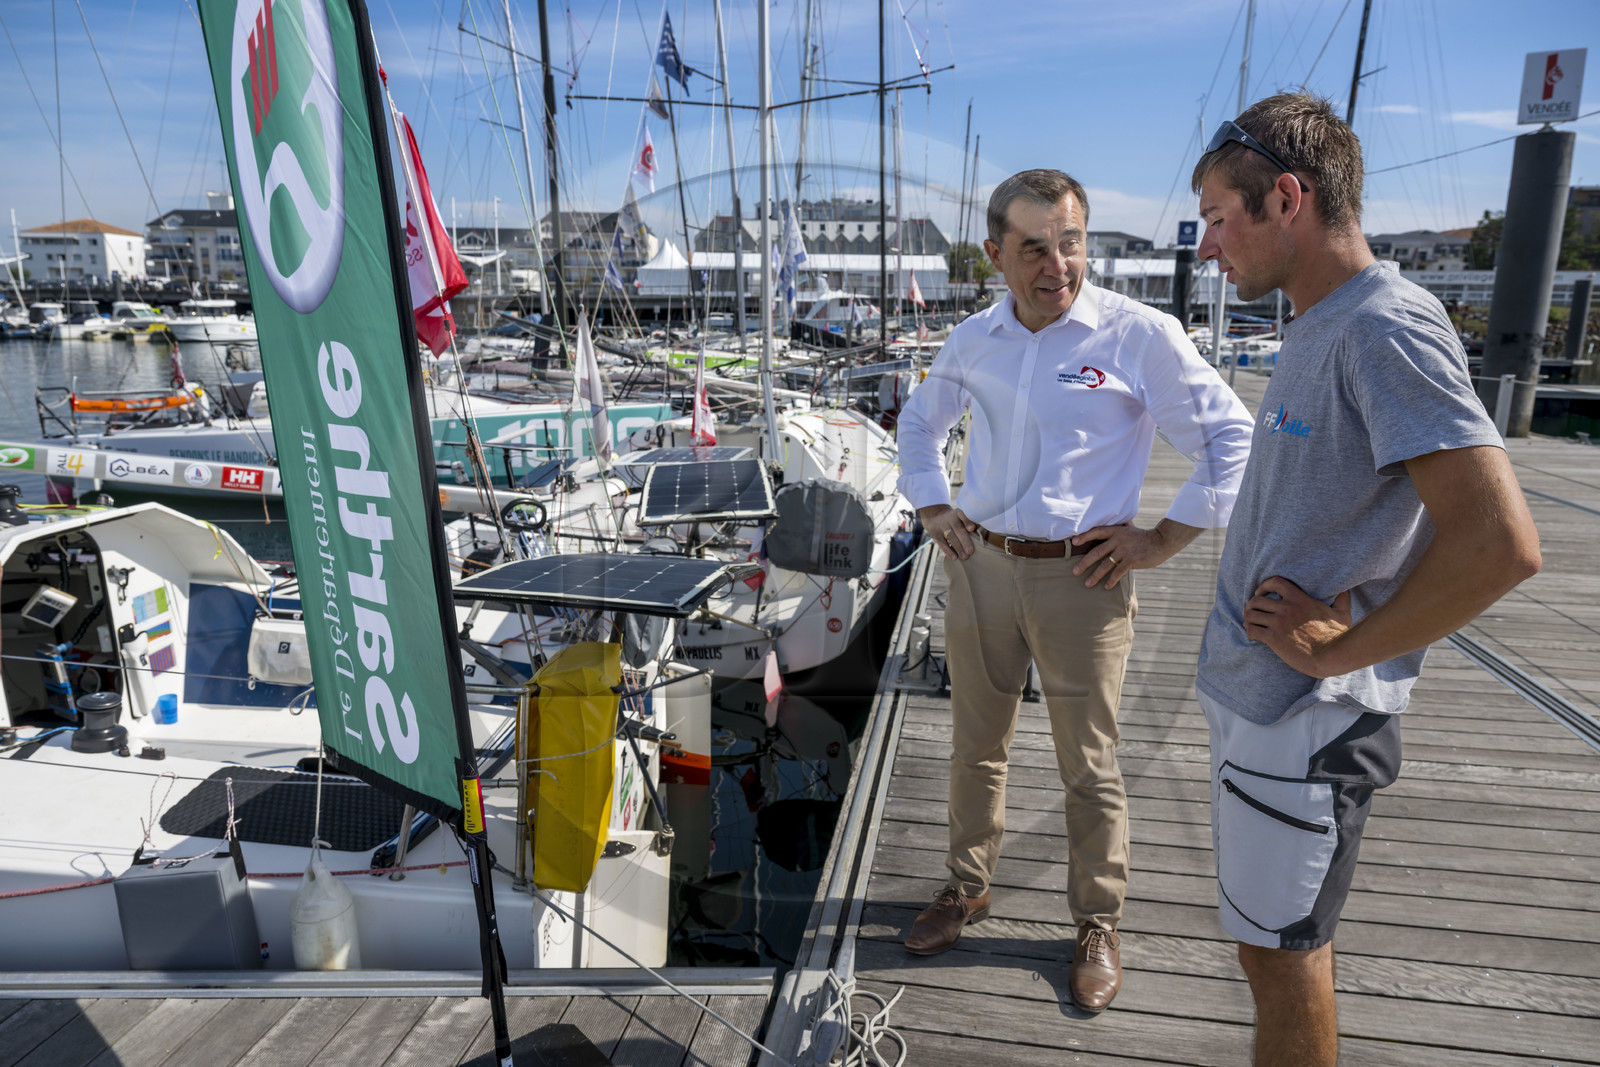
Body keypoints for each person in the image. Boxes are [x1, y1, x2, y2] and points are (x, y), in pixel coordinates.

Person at [1191, 93, 1541, 1066]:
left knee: (1283, 952)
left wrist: (1343, 645)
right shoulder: (1317, 322)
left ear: (1287, 198)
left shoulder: (1384, 325)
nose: (1210, 247)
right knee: (1271, 946)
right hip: (1264, 705)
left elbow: (1499, 540)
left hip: (1311, 715)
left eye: (1222, 218)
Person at [895, 169, 1254, 1012]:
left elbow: (1230, 437)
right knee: (974, 747)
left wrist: (1161, 538)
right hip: (980, 565)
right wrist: (932, 502)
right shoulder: (975, 338)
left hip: (1084, 579)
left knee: (1088, 762)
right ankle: (966, 885)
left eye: (1072, 242)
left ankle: (1097, 919)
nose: (1058, 265)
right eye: (1034, 249)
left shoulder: (1137, 334)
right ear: (995, 255)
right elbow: (920, 425)